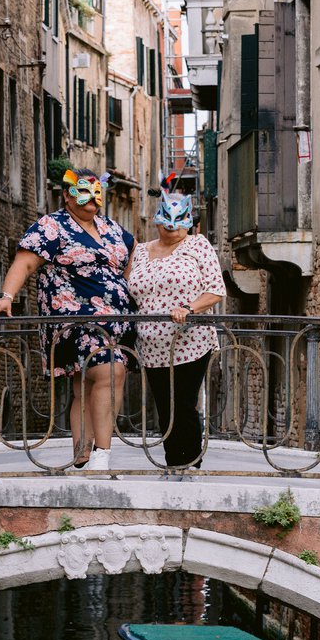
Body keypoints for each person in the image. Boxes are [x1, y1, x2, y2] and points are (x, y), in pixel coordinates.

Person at [0, 169, 134, 470]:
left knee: (85, 383)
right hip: (76, 321)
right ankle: (102, 455)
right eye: (82, 192)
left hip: (118, 322)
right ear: (66, 195)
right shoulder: (52, 226)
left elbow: (131, 262)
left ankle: (82, 453)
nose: (91, 199)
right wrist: (7, 296)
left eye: (96, 192)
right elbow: (25, 263)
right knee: (111, 372)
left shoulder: (112, 228)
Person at [128, 190, 226, 468]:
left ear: (188, 223)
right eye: (166, 223)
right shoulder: (141, 251)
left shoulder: (198, 246)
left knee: (183, 403)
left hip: (190, 342)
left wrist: (189, 308)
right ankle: (173, 463)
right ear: (157, 221)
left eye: (178, 224)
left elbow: (216, 290)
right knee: (164, 408)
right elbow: (129, 291)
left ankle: (191, 463)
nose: (172, 229)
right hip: (150, 346)